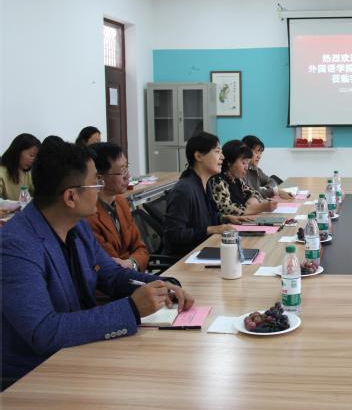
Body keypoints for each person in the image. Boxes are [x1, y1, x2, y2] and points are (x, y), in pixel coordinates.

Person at [1, 140, 193, 387]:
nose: (101, 188)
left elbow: (112, 275)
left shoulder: (77, 226)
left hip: (80, 352)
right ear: (71, 196)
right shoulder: (16, 246)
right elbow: (43, 331)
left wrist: (162, 284)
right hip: (34, 376)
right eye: (96, 183)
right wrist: (131, 309)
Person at [163, 132, 248, 256]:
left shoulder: (205, 184)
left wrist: (225, 218)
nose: (222, 157)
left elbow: (202, 219)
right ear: (198, 156)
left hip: (205, 249)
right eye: (217, 152)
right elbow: (173, 235)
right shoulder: (184, 190)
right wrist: (212, 229)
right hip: (187, 259)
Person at [87, 142, 149, 272]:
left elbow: (141, 248)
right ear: (100, 178)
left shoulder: (121, 202)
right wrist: (130, 263)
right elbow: (112, 264)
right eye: (122, 171)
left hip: (132, 273)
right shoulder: (89, 216)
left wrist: (131, 263)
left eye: (126, 168)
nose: (128, 176)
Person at [210, 140, 278, 216]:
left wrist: (254, 198)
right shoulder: (219, 181)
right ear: (230, 162)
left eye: (247, 163)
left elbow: (254, 192)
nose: (246, 167)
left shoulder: (238, 180)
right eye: (243, 163)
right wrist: (260, 208)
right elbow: (226, 209)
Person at [242, 135, 293, 200]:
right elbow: (251, 194)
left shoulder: (256, 170)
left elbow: (273, 182)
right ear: (246, 151)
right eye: (256, 152)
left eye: (260, 153)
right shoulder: (241, 172)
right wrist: (273, 191)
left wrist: (264, 189)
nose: (259, 156)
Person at [0, 133, 41, 200]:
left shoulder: (27, 172)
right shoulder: (2, 173)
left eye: (36, 157)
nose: (34, 160)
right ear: (17, 151)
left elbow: (35, 193)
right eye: (31, 155)